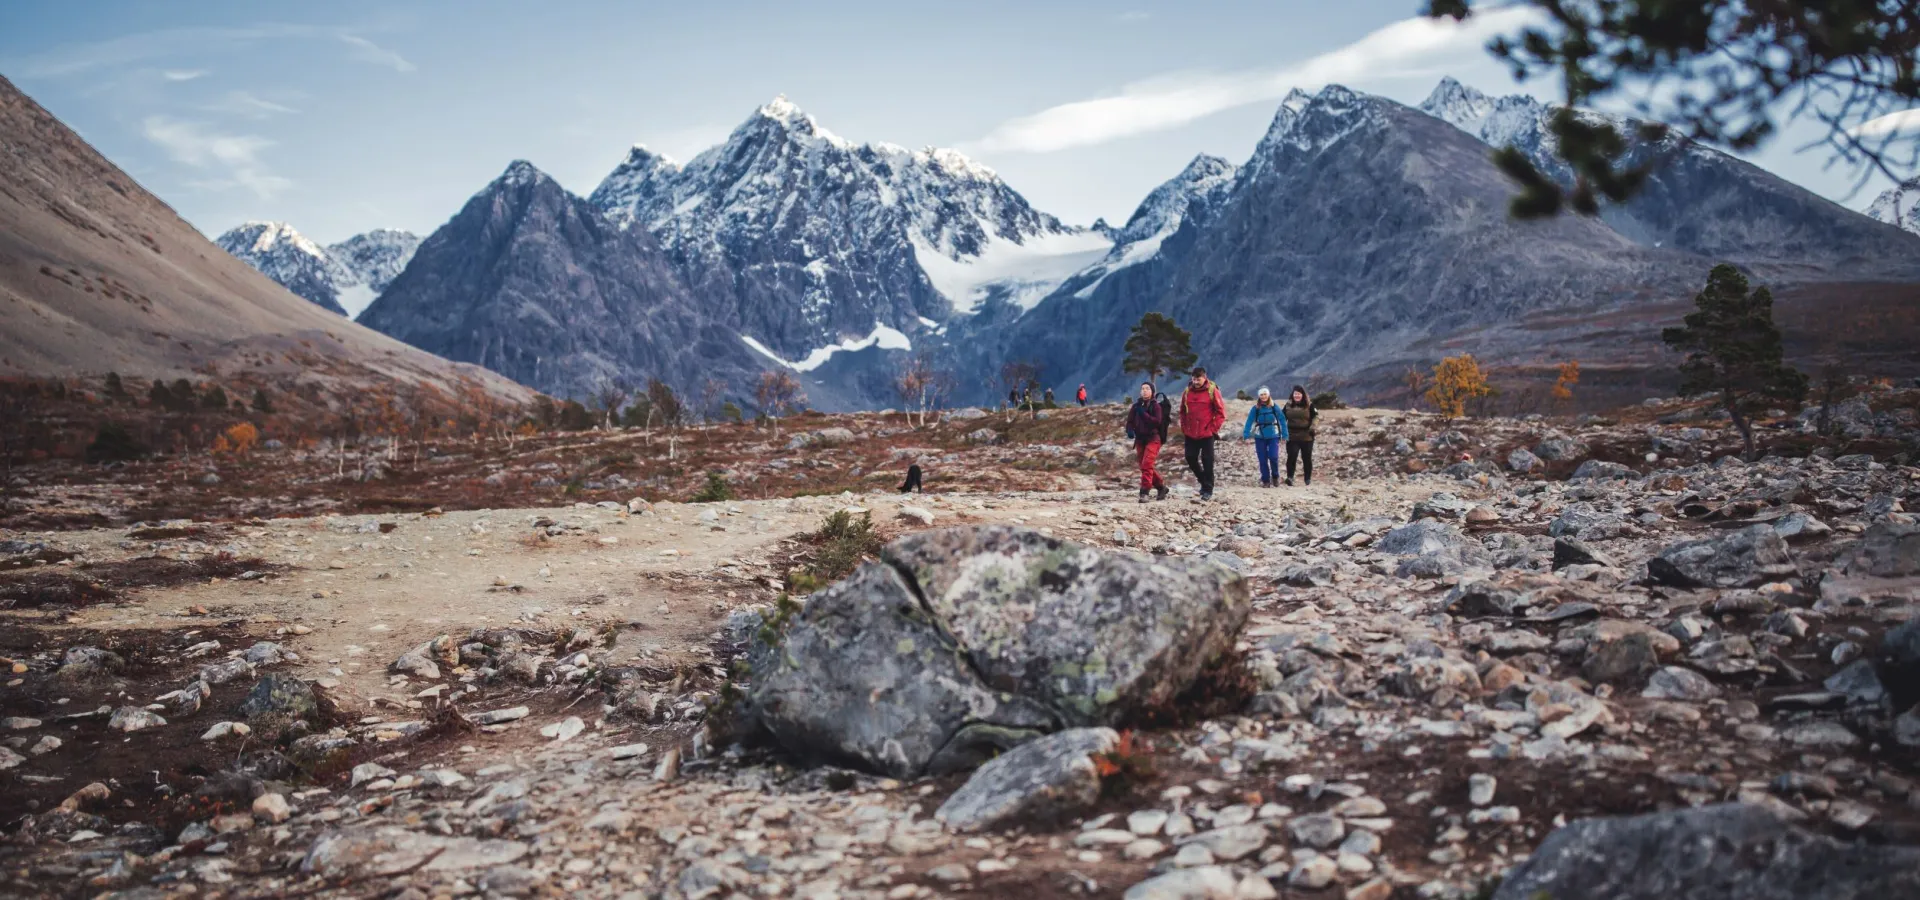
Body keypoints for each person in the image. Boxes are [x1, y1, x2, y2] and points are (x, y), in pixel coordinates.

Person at [1179, 366, 1227, 501]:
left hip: (1206, 433)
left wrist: (1212, 429)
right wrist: (1184, 427)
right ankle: (1203, 482)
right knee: (1190, 457)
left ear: (1204, 377)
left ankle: (1208, 489)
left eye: (1198, 379)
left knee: (1208, 461)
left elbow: (1221, 413)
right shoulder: (1187, 392)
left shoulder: (1212, 391)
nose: (1195, 382)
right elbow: (1182, 411)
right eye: (1193, 379)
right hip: (1191, 433)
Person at [1125, 382, 1168, 503]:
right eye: (1142, 389)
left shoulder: (1156, 406)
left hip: (1153, 439)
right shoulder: (1135, 406)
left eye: (1147, 389)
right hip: (1140, 440)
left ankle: (1144, 492)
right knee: (1144, 466)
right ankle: (1161, 487)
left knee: (1147, 464)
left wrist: (1142, 413)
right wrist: (1129, 430)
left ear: (1152, 391)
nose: (1144, 391)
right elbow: (1130, 421)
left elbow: (1156, 422)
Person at [1241, 386, 1289, 488]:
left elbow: (1282, 420)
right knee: (1262, 459)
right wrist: (1246, 434)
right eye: (1261, 395)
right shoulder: (1256, 408)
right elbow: (1249, 421)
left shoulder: (1274, 407)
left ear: (1268, 395)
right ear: (1259, 396)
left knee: (1273, 456)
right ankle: (1265, 480)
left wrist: (1285, 434)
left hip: (1273, 435)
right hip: (1260, 436)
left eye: (1265, 394)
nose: (1263, 396)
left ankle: (1275, 476)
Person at [1283, 384, 1317, 486]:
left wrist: (1313, 427)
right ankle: (1290, 477)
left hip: (1306, 435)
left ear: (1303, 395)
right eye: (1295, 394)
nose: (1297, 396)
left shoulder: (1309, 405)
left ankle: (1307, 479)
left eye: (1299, 394)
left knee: (1306, 457)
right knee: (1292, 456)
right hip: (1292, 435)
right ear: (1292, 395)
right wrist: (1280, 429)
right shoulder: (1288, 405)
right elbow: (1282, 417)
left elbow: (1316, 416)